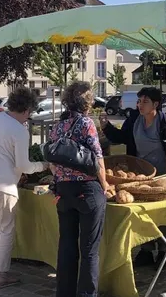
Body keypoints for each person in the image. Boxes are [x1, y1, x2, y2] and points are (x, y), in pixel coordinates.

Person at [100, 87, 166, 267]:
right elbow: (122, 137)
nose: (140, 105)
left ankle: (164, 252)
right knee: (143, 214)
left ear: (155, 104)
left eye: (145, 102)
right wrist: (106, 127)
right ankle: (146, 250)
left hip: (162, 177)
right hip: (141, 177)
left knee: (162, 214)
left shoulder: (165, 124)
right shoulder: (134, 120)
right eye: (139, 101)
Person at [0, 87, 49, 288]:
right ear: (26, 109)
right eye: (30, 112)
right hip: (3, 185)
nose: (29, 117)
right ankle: (2, 275)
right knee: (6, 229)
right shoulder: (19, 131)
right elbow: (23, 166)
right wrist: (44, 165)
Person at [48, 81, 111, 297]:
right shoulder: (86, 124)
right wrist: (105, 185)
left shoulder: (56, 126)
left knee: (66, 245)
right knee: (89, 250)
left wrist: (62, 179)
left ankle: (64, 293)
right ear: (87, 102)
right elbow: (98, 159)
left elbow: (52, 163)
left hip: (64, 191)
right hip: (87, 190)